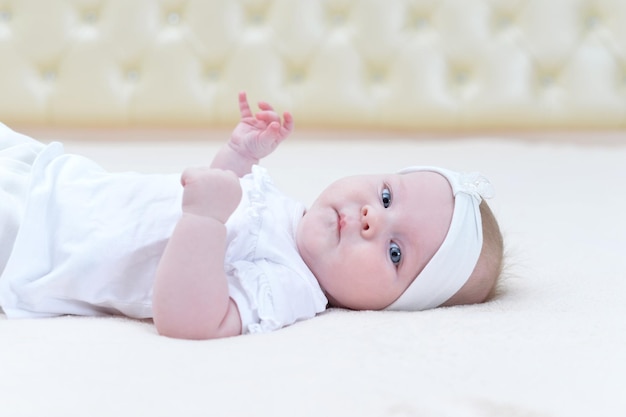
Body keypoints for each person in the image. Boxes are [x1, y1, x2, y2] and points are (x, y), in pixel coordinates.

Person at [0, 92, 503, 340]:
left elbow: (190, 320)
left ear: (388, 307)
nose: (373, 219)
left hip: (40, 245)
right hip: (64, 187)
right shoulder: (280, 207)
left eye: (395, 253)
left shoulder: (290, 289)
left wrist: (205, 221)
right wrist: (237, 159)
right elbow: (216, 193)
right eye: (388, 197)